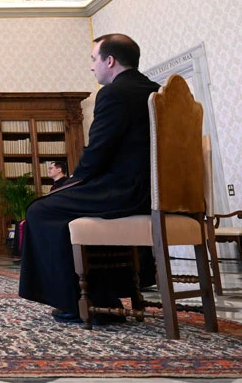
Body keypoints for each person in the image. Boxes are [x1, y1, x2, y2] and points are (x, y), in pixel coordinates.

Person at [19, 34, 160, 323]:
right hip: (154, 192)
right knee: (64, 212)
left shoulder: (114, 94)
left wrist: (71, 183)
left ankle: (81, 301)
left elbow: (97, 152)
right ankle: (106, 293)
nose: (92, 68)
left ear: (110, 60)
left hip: (126, 192)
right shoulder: (155, 91)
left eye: (94, 60)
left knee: (41, 210)